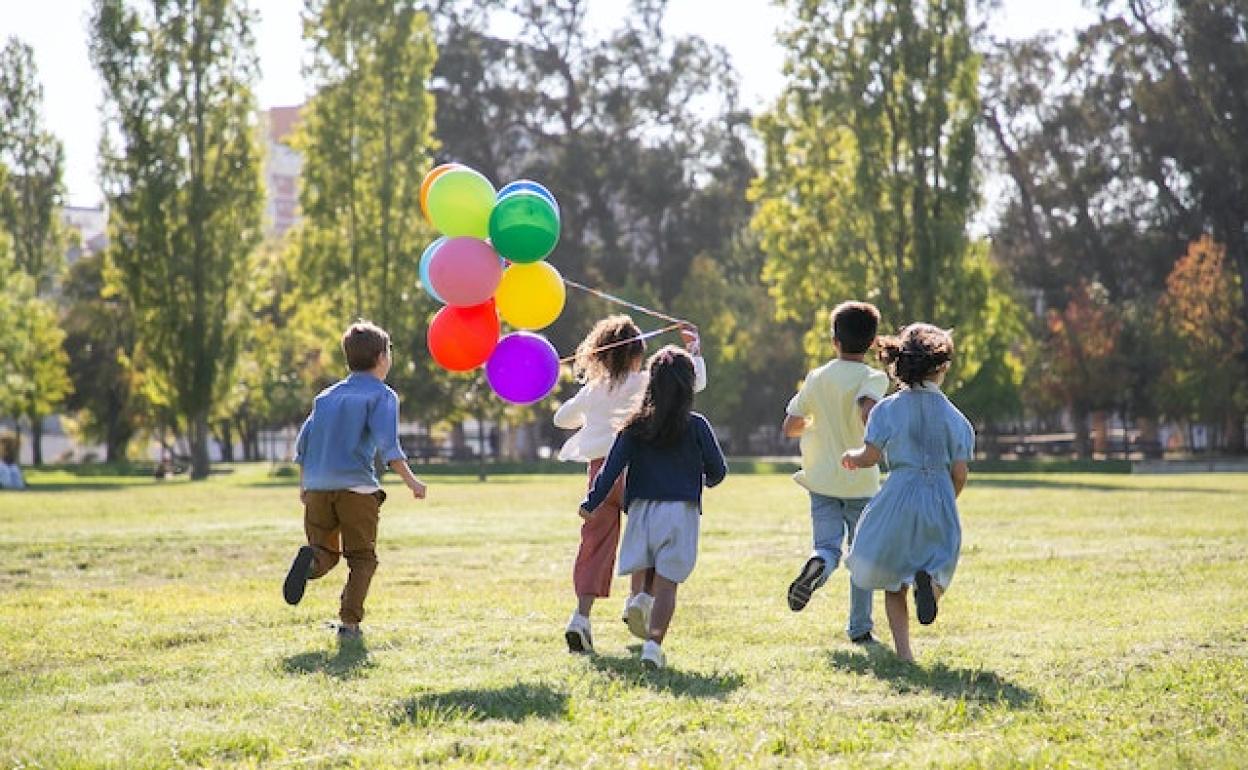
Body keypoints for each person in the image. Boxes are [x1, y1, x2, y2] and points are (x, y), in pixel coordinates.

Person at [554, 316, 706, 654]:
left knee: (594, 546)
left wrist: (591, 407)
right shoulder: (644, 383)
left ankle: (580, 617)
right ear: (638, 354)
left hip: (599, 476)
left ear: (601, 355)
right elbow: (693, 384)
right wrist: (694, 349)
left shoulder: (594, 390)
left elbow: (560, 418)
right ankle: (638, 600)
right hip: (638, 472)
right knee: (649, 539)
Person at [579, 346, 726, 669]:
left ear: (651, 383)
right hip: (681, 512)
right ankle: (653, 646)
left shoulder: (633, 426)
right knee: (668, 583)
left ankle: (641, 598)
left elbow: (611, 470)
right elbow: (718, 470)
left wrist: (591, 502)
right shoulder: (697, 425)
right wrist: (703, 479)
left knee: (648, 564)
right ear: (689, 386)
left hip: (642, 510)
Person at [282, 321, 428, 641]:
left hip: (318, 488)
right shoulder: (382, 396)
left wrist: (304, 487)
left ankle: (310, 564)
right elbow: (389, 447)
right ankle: (349, 624)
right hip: (356, 489)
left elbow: (303, 445)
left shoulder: (326, 397)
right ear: (381, 358)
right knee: (362, 558)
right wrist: (413, 482)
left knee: (325, 553)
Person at [842, 323, 974, 662]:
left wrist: (851, 457)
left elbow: (870, 456)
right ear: (942, 367)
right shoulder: (957, 419)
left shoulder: (886, 409)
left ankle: (905, 655)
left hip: (898, 495)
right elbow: (960, 472)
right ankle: (930, 589)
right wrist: (947, 497)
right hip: (939, 496)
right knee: (940, 563)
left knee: (893, 579)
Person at [781, 301, 888, 644]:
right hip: (860, 480)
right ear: (872, 343)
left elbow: (790, 425)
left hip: (821, 479)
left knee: (827, 547)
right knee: (862, 556)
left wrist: (815, 423)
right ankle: (860, 628)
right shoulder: (873, 376)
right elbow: (867, 411)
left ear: (834, 341)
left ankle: (818, 565)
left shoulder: (818, 376)